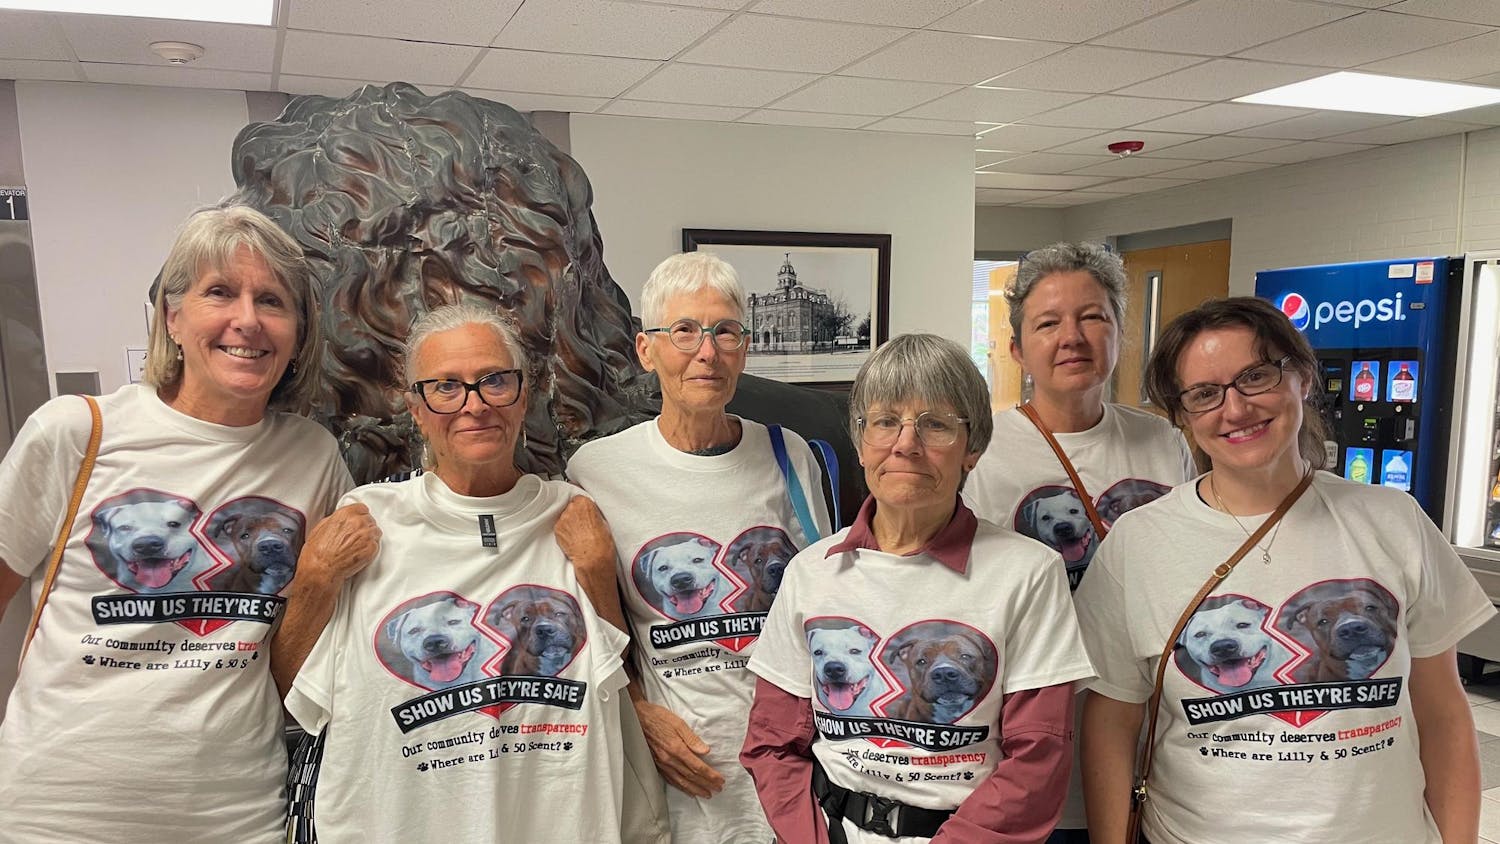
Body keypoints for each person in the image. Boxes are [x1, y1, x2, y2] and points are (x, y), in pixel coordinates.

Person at [0, 203, 372, 843]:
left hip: (237, 813)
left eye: (273, 301)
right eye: (219, 293)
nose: (247, 321)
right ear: (172, 317)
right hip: (58, 811)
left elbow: (319, 641)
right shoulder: (78, 432)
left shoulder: (312, 458)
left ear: (298, 333)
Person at [1075, 297, 1493, 844]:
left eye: (1256, 376)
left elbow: (1442, 714)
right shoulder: (1138, 542)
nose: (1236, 408)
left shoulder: (1393, 521)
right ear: (1181, 416)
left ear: (1301, 377)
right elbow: (1113, 723)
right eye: (1204, 393)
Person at [279, 303, 640, 842]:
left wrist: (595, 569)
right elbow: (294, 687)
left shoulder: (574, 518)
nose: (474, 405)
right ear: (416, 407)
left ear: (523, 395)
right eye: (446, 387)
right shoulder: (369, 522)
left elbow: (619, 675)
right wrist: (314, 578)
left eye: (494, 381)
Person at [743, 333, 1095, 844]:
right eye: (885, 421)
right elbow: (772, 744)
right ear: (861, 443)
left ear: (972, 448)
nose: (905, 443)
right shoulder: (810, 572)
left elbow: (1038, 759)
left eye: (935, 424)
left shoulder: (1029, 574)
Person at [567, 251, 832, 842]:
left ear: (744, 345)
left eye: (725, 331)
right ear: (646, 349)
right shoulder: (598, 471)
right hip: (676, 775)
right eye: (684, 331)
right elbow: (590, 628)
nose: (706, 352)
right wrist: (638, 713)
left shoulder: (790, 455)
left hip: (791, 768)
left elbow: (825, 603)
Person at [963, 242, 1195, 843]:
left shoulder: (1164, 442)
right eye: (1048, 323)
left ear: (1120, 330)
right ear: (1017, 349)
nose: (1073, 336)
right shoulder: (980, 454)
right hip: (1036, 734)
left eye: (1093, 316)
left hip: (1155, 729)